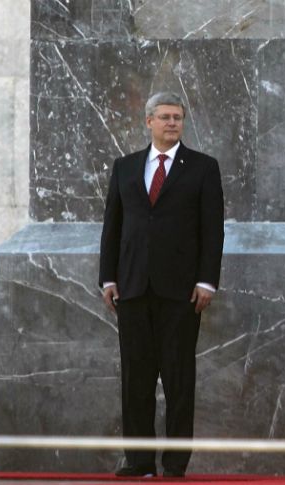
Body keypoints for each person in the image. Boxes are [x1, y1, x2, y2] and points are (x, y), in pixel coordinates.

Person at [98, 91, 225, 478]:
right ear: (148, 121)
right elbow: (112, 228)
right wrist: (108, 277)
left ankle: (174, 464)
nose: (173, 123)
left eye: (178, 117)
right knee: (135, 378)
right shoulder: (125, 167)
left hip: (182, 293)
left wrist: (207, 281)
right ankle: (138, 460)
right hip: (132, 290)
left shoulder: (202, 168)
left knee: (178, 380)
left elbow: (212, 229)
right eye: (165, 117)